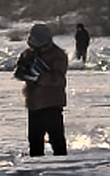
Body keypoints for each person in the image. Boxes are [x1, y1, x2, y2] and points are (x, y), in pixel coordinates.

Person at [14, 22, 69, 157]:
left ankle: (62, 167)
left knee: (57, 140)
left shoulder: (57, 55)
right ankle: (35, 169)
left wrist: (38, 78)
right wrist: (23, 72)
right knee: (34, 141)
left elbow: (59, 79)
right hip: (34, 104)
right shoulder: (29, 54)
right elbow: (20, 70)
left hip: (52, 104)